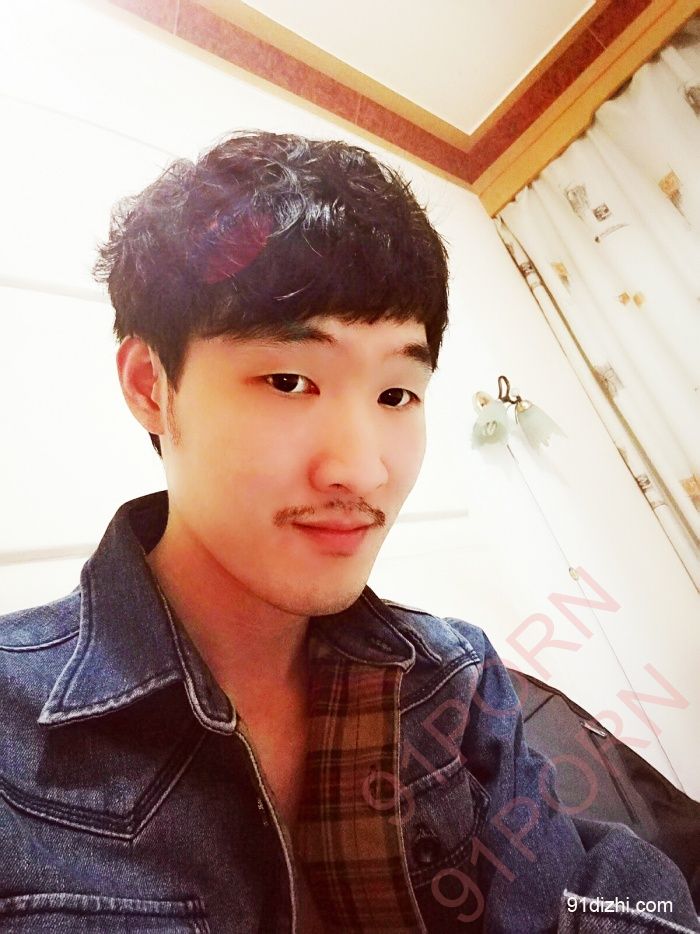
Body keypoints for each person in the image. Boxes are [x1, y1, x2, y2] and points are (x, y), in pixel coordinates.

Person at [0, 131, 697, 934]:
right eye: (289, 380)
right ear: (150, 385)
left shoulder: (456, 679)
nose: (363, 472)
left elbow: (582, 897)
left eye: (397, 394)